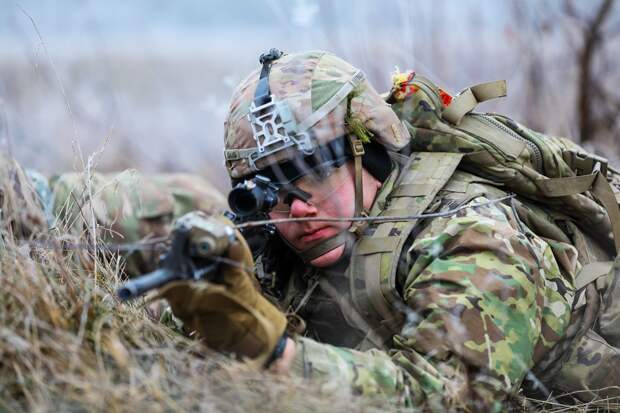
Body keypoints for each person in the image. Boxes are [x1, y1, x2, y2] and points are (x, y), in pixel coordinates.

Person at [157, 49, 620, 411]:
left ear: (370, 152)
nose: (296, 208)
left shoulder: (474, 234)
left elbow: (448, 398)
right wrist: (201, 300)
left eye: (315, 173)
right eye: (268, 192)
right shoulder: (272, 241)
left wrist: (279, 357)